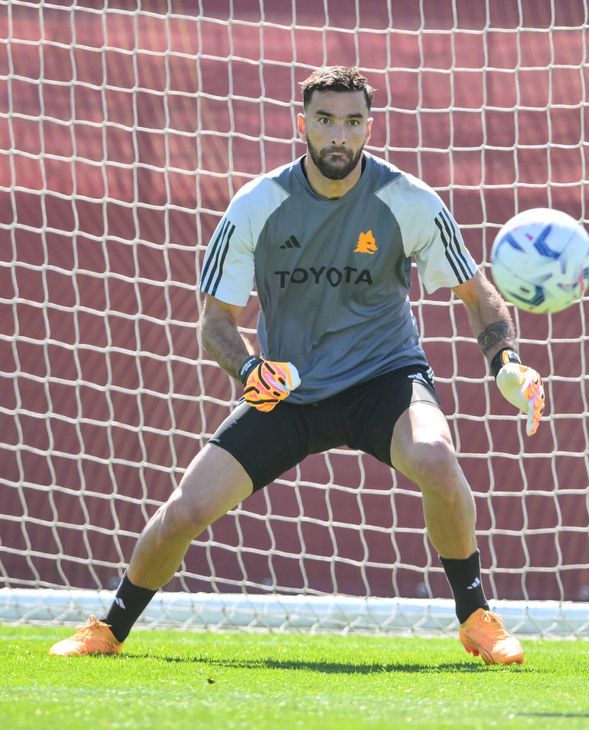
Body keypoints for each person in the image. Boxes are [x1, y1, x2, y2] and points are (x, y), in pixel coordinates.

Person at [49, 66, 545, 665]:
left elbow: (478, 294)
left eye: (353, 122)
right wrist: (250, 371)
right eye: (327, 120)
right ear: (303, 122)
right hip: (288, 390)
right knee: (186, 508)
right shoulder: (258, 204)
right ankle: (110, 627)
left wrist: (508, 365)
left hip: (382, 380)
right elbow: (215, 322)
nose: (340, 135)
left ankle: (475, 618)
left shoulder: (408, 200)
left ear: (369, 126)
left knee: (437, 458)